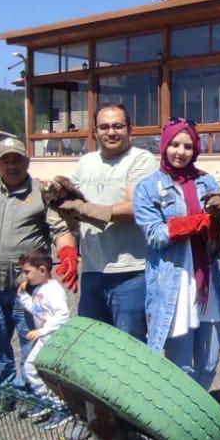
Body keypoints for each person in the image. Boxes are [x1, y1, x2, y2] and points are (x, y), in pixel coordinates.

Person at [0, 137, 77, 423]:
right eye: (5, 160)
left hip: (28, 288)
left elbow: (59, 230)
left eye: (16, 159)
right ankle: (3, 391)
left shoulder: (41, 193)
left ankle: (31, 392)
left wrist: (67, 253)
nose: (11, 165)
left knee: (34, 342)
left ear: (27, 162)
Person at [133, 117, 220, 390]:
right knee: (179, 366)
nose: (180, 152)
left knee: (208, 361)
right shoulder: (147, 187)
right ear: (163, 145)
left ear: (195, 149)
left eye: (187, 146)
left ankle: (199, 408)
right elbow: (155, 235)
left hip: (208, 281)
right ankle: (180, 422)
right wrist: (198, 222)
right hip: (174, 282)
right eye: (173, 144)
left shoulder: (207, 181)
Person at [56, 104, 159, 339]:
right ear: (95, 132)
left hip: (131, 273)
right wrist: (67, 250)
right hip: (93, 271)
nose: (111, 132)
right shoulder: (86, 162)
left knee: (130, 348)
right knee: (93, 346)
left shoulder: (142, 160)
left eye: (117, 126)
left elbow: (134, 207)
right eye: (104, 127)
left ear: (129, 129)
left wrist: (83, 208)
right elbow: (65, 207)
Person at [14, 249, 72, 430]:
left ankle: (60, 408)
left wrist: (42, 331)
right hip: (45, 338)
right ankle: (49, 402)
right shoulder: (39, 289)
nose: (25, 276)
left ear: (42, 270)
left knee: (32, 369)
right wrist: (22, 296)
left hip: (53, 339)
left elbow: (63, 315)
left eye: (27, 272)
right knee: (33, 370)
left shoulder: (53, 290)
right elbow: (37, 309)